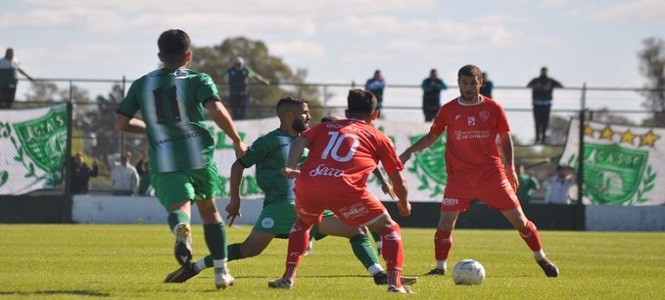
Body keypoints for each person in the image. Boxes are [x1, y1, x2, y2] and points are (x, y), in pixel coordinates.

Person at [164, 97, 415, 287]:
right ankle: (380, 275)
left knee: (354, 231)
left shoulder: (313, 138)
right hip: (283, 204)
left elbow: (358, 155)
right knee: (355, 230)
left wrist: (380, 177)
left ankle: (196, 267)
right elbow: (238, 165)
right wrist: (235, 200)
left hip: (309, 201)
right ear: (288, 115)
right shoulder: (270, 141)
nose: (308, 117)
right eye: (305, 112)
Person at [115, 29, 247, 290]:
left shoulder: (142, 83)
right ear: (189, 55)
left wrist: (152, 127)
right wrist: (235, 138)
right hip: (198, 153)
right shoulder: (199, 79)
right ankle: (221, 272)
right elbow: (216, 109)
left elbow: (121, 122)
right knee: (210, 211)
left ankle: (182, 230)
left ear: (160, 55)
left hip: (164, 157)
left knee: (179, 207)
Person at [399, 64, 559, 278]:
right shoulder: (448, 110)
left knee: (520, 220)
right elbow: (431, 137)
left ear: (480, 83)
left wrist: (510, 167)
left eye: (473, 83)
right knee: (445, 223)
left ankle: (541, 257)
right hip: (460, 179)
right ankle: (440, 268)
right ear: (458, 84)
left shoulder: (494, 108)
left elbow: (505, 139)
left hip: (491, 175)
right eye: (464, 83)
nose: (468, 88)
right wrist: (409, 151)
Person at [270, 89, 414, 293]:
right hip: (346, 189)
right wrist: (403, 202)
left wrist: (291, 166)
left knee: (303, 224)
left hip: (309, 183)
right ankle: (394, 283)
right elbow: (398, 180)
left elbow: (300, 140)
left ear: (347, 113)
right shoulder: (379, 137)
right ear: (375, 115)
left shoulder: (325, 127)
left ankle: (288, 278)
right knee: (389, 229)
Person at [225, 55, 270, 120]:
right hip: (233, 94)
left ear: (242, 64)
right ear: (234, 64)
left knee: (243, 111)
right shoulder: (230, 71)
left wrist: (264, 81)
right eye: (237, 64)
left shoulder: (246, 70)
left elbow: (255, 76)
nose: (238, 65)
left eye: (239, 64)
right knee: (234, 112)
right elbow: (224, 79)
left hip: (244, 94)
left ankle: (242, 122)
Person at [527, 67, 563, 144]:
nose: (544, 73)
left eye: (545, 71)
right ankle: (537, 138)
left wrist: (550, 87)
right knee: (537, 122)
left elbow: (561, 86)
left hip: (546, 104)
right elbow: (528, 86)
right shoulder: (536, 80)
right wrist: (538, 87)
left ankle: (543, 138)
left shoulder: (550, 81)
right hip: (537, 104)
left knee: (545, 122)